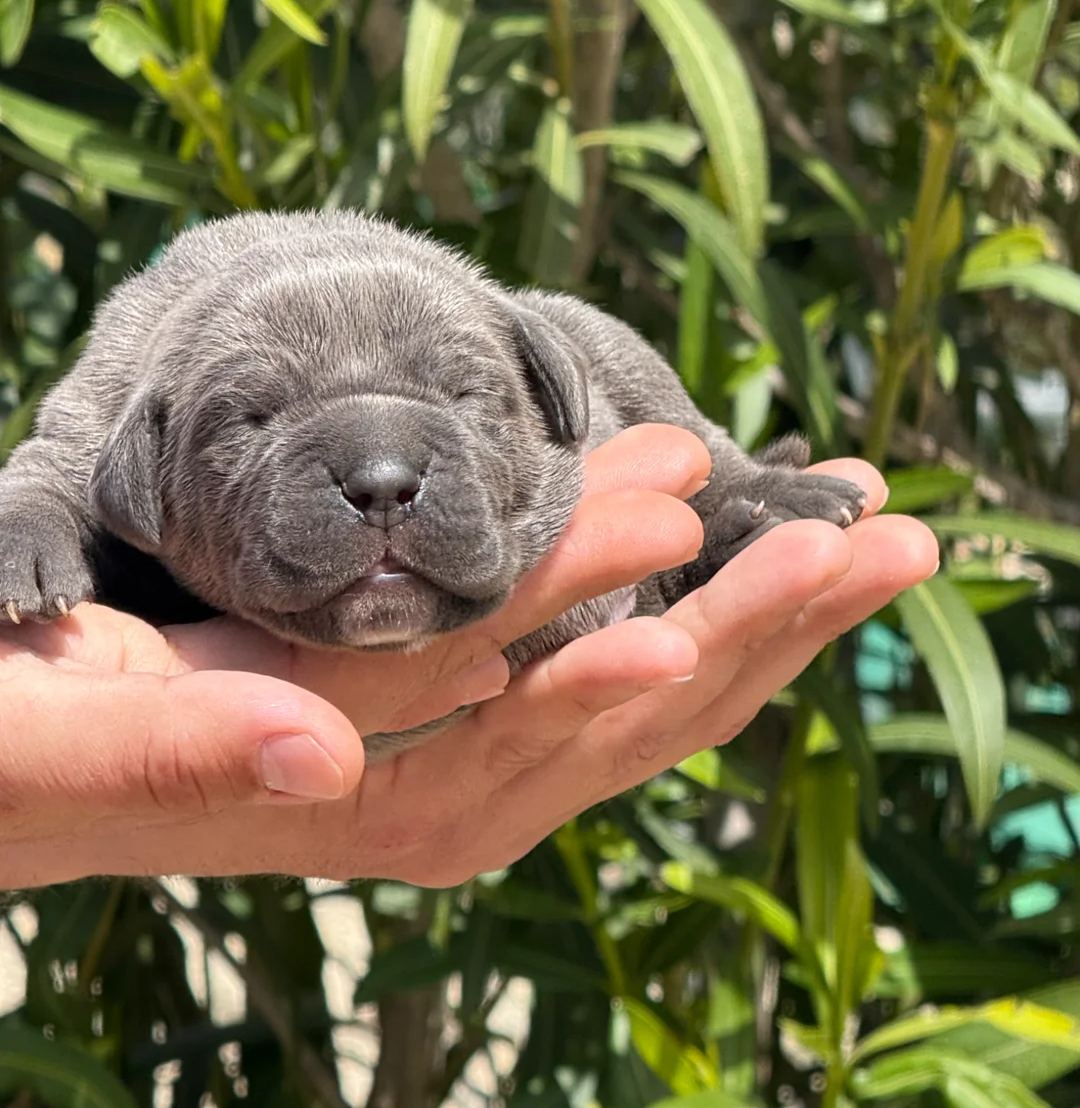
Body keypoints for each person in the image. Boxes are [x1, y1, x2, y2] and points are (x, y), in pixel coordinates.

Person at [0, 425, 937, 887]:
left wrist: (726, 478)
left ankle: (730, 496)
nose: (380, 482)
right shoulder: (127, 401)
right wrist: (33, 522)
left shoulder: (539, 363)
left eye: (460, 398)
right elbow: (58, 462)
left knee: (635, 532)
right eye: (250, 423)